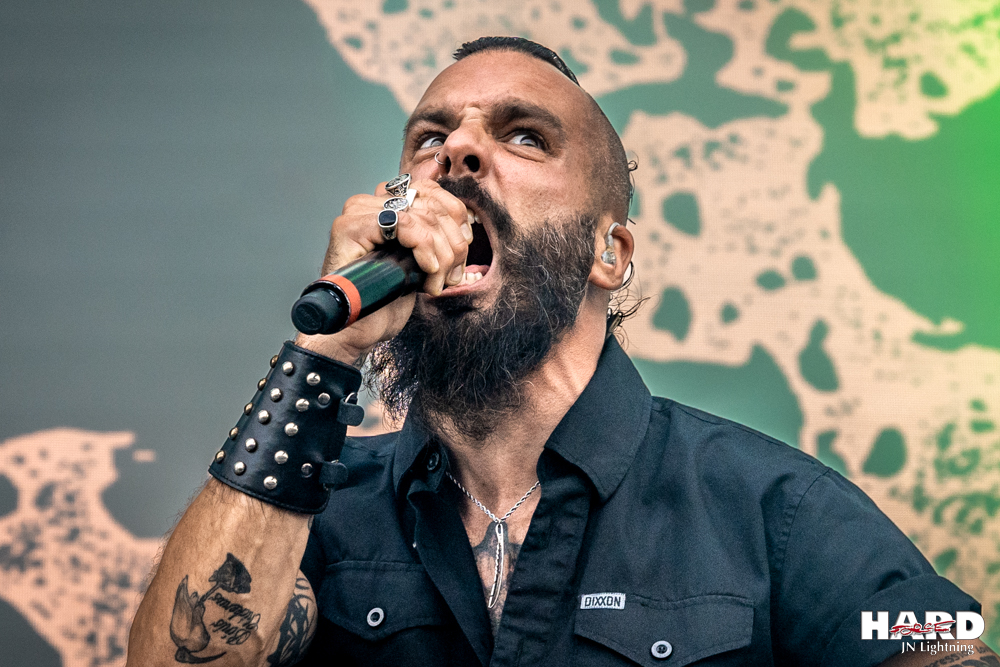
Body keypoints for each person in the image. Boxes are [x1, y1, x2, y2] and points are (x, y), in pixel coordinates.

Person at [127, 37, 994, 667]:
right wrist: (323, 352)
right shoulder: (316, 515)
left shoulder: (776, 508)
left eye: (524, 136)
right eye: (429, 140)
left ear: (608, 253)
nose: (457, 151)